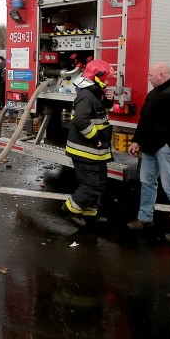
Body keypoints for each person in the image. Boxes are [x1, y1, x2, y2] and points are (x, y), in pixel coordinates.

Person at [127, 62, 170, 242]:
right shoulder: (153, 94)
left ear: (161, 74)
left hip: (166, 149)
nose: (148, 78)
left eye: (150, 75)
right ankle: (144, 218)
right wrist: (137, 140)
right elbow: (144, 121)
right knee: (147, 183)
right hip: (150, 147)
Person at [61, 60, 113, 226]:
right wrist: (96, 138)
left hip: (94, 151)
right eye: (105, 78)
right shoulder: (86, 95)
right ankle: (70, 210)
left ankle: (89, 211)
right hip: (86, 150)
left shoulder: (94, 93)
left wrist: (108, 102)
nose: (107, 82)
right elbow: (81, 121)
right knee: (91, 184)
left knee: (100, 183)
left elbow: (98, 113)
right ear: (97, 78)